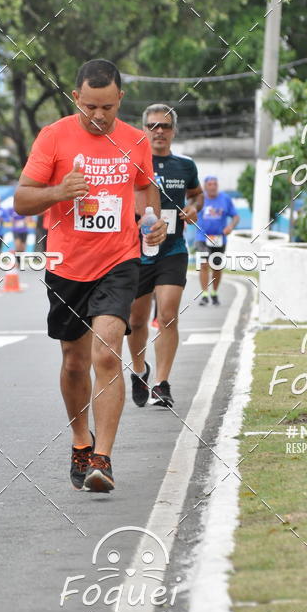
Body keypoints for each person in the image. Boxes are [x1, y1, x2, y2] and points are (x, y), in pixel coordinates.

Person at [14, 58, 166, 493]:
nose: (99, 116)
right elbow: (22, 200)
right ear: (75, 97)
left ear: (120, 99)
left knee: (105, 354)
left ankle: (104, 459)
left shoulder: (136, 140)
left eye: (107, 108)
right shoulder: (54, 137)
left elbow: (142, 186)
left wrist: (152, 220)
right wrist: (58, 192)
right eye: (90, 107)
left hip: (119, 262)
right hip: (67, 265)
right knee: (74, 361)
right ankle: (82, 441)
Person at [127, 104, 203, 409]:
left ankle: (162, 384)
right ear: (143, 128)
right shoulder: (129, 161)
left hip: (172, 250)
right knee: (136, 319)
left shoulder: (184, 165)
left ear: (173, 131)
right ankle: (140, 370)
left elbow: (196, 193)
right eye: (153, 125)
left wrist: (194, 207)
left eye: (165, 126)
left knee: (168, 314)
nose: (159, 131)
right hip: (136, 251)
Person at [197, 176, 240, 306]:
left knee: (217, 267)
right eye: (209, 184)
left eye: (215, 184)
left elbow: (236, 216)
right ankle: (204, 294)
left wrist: (230, 226)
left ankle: (214, 293)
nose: (213, 186)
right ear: (205, 187)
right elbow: (190, 211)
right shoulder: (200, 198)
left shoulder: (225, 199)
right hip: (202, 237)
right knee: (204, 264)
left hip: (220, 238)